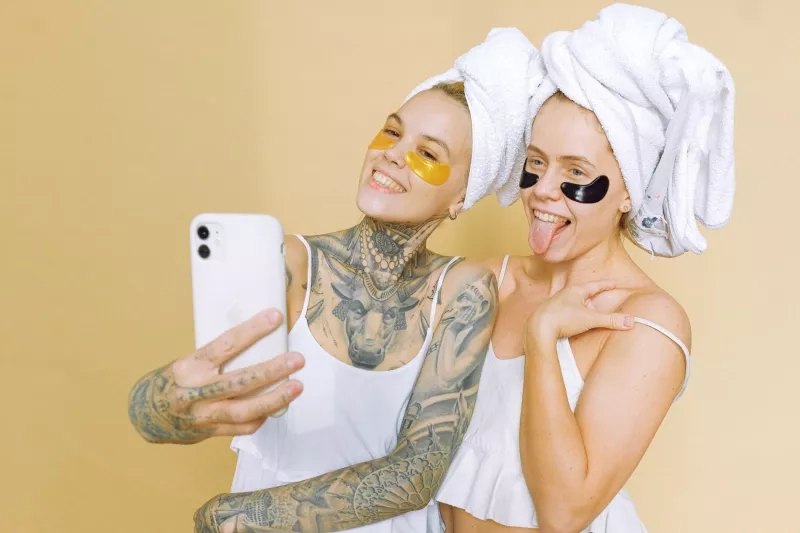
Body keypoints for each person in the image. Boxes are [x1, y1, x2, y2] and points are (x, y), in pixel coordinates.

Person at [126, 28, 542, 533]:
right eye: (392, 132)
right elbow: (164, 407)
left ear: (462, 195)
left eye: (428, 154)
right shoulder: (287, 261)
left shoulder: (464, 291)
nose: (390, 154)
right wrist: (163, 405)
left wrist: (237, 514)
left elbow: (416, 472)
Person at [434, 5, 735, 533]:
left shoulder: (647, 322)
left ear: (628, 193)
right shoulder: (483, 278)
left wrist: (542, 334)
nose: (544, 190)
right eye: (535, 163)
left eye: (577, 172)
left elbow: (565, 509)